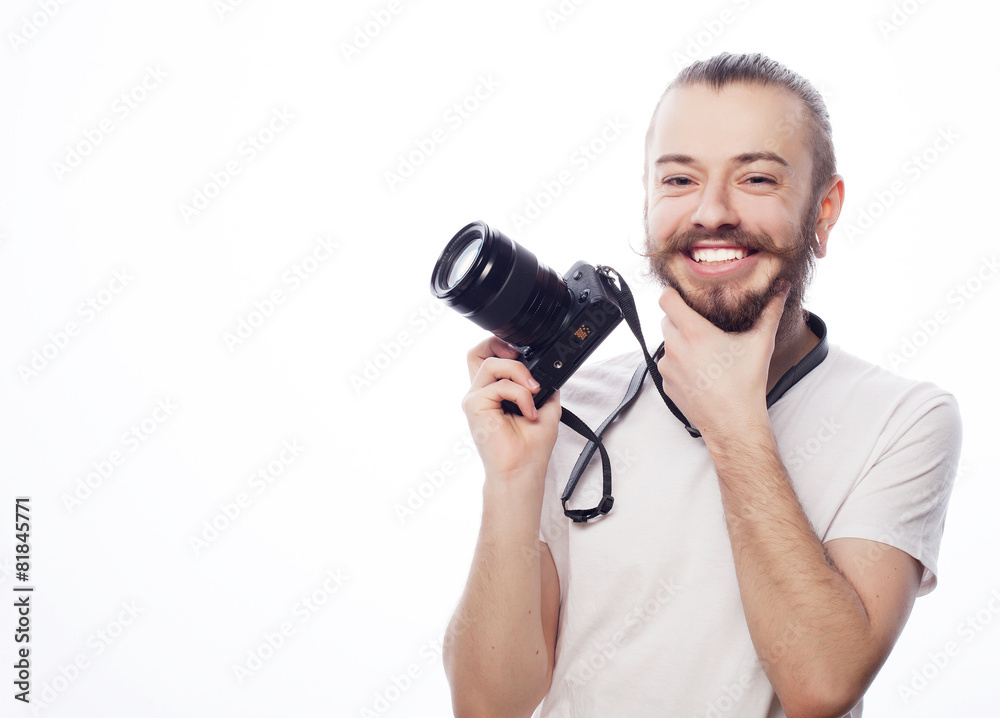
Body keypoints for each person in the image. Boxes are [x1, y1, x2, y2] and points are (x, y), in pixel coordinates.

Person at [442, 52, 961, 718]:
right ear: (650, 201)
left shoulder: (904, 419)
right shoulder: (572, 410)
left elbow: (822, 685)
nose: (712, 212)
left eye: (756, 177)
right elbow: (489, 706)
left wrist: (734, 422)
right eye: (680, 179)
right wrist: (512, 481)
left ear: (823, 210)